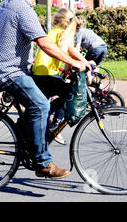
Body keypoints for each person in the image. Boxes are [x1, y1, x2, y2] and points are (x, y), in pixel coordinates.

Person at [0, 0, 89, 179]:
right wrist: (76, 62)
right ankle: (43, 163)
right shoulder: (24, 9)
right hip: (11, 73)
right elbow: (44, 43)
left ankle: (29, 132)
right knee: (41, 105)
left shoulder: (2, 6)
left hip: (3, 70)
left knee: (60, 88)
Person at [32, 8, 90, 145]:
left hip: (42, 72)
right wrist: (85, 63)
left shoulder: (55, 31)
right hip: (45, 74)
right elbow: (71, 50)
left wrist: (79, 63)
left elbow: (68, 52)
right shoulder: (60, 33)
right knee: (69, 92)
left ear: (58, 19)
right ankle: (54, 123)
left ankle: (49, 122)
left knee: (58, 93)